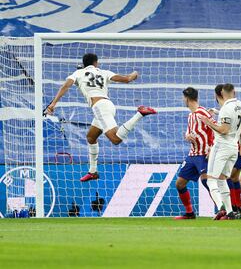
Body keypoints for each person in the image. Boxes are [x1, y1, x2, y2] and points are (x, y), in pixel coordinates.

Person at [46, 53, 156, 182]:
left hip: (99, 107)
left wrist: (53, 104)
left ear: (84, 64)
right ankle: (93, 172)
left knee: (115, 139)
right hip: (108, 105)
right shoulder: (104, 72)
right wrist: (134, 74)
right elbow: (127, 79)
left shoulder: (78, 73)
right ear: (96, 63)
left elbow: (66, 85)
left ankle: (140, 113)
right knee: (91, 137)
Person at [199, 83, 241, 220]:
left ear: (220, 94)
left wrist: (207, 121)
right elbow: (239, 124)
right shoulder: (239, 104)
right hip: (233, 148)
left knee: (211, 180)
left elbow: (224, 130)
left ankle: (221, 207)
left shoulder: (226, 108)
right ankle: (230, 212)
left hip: (222, 147)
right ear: (234, 92)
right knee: (222, 179)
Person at [175, 87, 214, 220]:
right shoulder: (191, 115)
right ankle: (190, 213)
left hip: (204, 153)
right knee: (179, 183)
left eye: (183, 98)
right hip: (193, 155)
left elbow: (215, 129)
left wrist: (211, 147)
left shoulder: (202, 112)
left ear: (187, 98)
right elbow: (189, 131)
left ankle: (225, 210)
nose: (183, 100)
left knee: (207, 182)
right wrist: (187, 136)